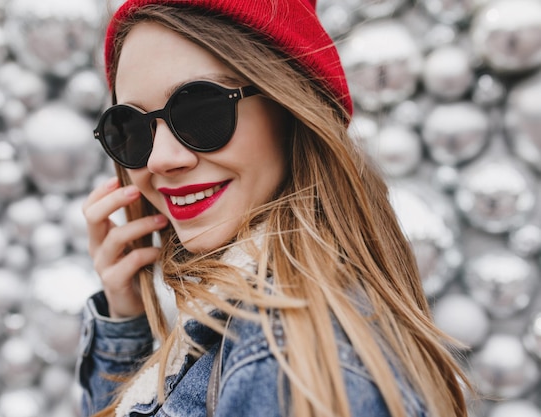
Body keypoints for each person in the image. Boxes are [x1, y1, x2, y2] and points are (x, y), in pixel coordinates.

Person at [78, 1, 471, 416]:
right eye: (130, 129)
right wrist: (124, 320)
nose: (159, 159)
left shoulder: (281, 362)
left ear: (292, 109)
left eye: (199, 111)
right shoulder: (265, 331)